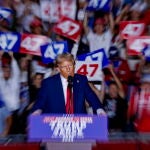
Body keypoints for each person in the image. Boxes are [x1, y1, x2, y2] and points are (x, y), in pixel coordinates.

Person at [31, 53, 105, 115]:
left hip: (78, 124)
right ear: (58, 68)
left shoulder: (81, 80)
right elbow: (40, 102)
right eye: (64, 67)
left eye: (70, 65)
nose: (68, 69)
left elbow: (92, 97)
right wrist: (37, 112)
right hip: (56, 124)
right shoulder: (48, 83)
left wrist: (100, 110)